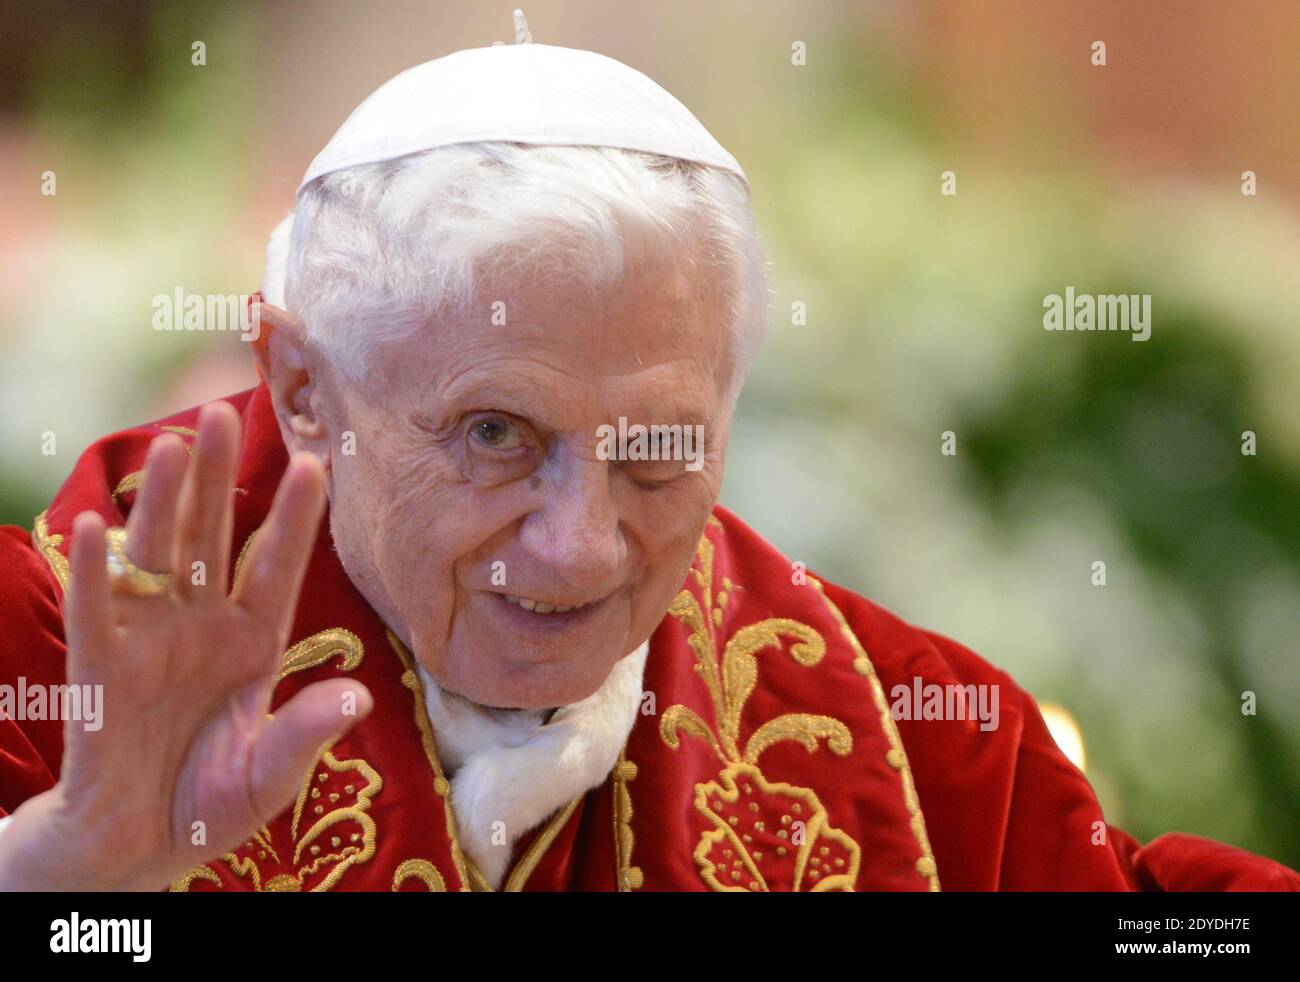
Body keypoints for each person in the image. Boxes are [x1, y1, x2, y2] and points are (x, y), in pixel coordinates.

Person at [0, 17, 1295, 892]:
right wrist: (69, 885)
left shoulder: (915, 739)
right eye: (496, 436)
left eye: (659, 450)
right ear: (301, 385)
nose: (579, 546)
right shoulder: (43, 651)